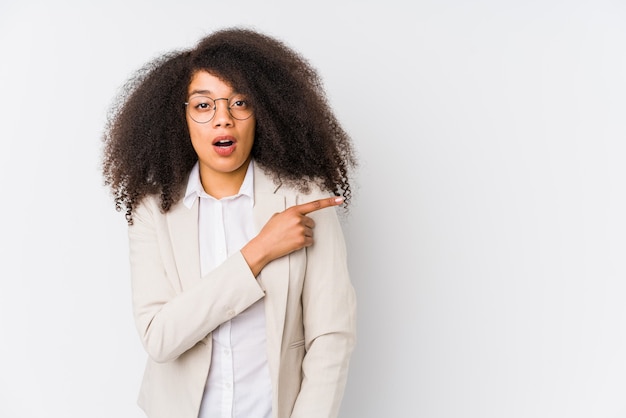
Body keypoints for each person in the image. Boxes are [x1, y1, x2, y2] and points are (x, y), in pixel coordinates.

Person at [101, 27, 357, 418]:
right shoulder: (153, 210)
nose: (223, 120)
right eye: (204, 106)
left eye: (240, 103)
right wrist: (260, 250)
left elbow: (331, 335)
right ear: (180, 117)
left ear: (263, 112)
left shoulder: (304, 200)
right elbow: (160, 338)